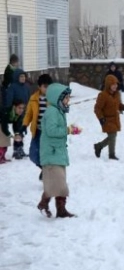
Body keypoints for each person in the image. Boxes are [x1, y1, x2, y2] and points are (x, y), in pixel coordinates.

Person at [37, 83, 81, 218]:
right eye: (66, 98)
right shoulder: (52, 112)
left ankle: (52, 206)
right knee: (58, 184)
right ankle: (55, 208)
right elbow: (51, 131)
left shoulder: (58, 111)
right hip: (51, 153)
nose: (68, 101)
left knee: (57, 183)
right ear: (58, 98)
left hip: (58, 152)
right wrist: (68, 130)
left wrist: (70, 129)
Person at [23, 74, 53, 178]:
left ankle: (49, 172)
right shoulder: (33, 98)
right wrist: (24, 125)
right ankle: (44, 169)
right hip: (37, 131)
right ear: (39, 87)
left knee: (48, 155)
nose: (47, 89)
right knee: (33, 155)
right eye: (45, 86)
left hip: (49, 132)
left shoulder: (54, 98)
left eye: (49, 86)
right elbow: (29, 114)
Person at [93, 74, 124, 160]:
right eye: (113, 84)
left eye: (116, 84)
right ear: (108, 85)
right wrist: (101, 118)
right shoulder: (103, 95)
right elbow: (97, 108)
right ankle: (111, 154)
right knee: (112, 136)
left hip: (115, 118)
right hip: (107, 119)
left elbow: (118, 105)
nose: (115, 86)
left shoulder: (117, 94)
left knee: (112, 136)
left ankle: (98, 146)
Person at [3, 68, 30, 158]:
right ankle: (17, 150)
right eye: (21, 76)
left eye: (24, 76)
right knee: (17, 130)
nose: (23, 78)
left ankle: (20, 148)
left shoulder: (26, 87)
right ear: (16, 77)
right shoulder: (13, 86)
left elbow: (28, 98)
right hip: (15, 112)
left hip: (23, 111)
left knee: (21, 130)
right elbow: (9, 99)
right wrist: (9, 109)